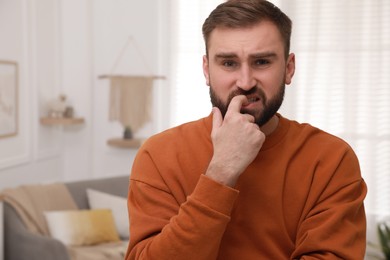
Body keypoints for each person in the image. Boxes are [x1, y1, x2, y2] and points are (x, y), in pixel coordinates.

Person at [125, 0, 367, 259]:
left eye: (262, 61)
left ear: (289, 68)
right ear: (207, 70)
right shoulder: (158, 155)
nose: (245, 81)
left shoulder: (331, 159)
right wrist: (221, 172)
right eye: (228, 63)